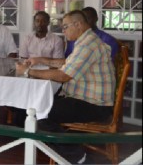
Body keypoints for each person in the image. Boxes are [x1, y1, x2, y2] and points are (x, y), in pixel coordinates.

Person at [16, 10, 115, 164]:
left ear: (78, 24)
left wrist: (28, 72)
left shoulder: (88, 45)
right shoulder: (85, 41)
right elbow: (66, 63)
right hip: (86, 100)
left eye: (65, 27)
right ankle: (69, 151)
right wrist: (40, 60)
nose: (63, 31)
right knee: (40, 105)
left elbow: (63, 75)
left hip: (95, 105)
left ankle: (78, 157)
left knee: (38, 112)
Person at [14, 11, 64, 127]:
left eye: (43, 21)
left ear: (48, 23)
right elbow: (23, 59)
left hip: (48, 75)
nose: (40, 23)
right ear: (34, 23)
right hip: (29, 73)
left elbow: (57, 64)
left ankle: (40, 121)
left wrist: (40, 63)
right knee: (21, 91)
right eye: (37, 21)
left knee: (41, 94)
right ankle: (21, 124)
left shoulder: (56, 40)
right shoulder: (28, 39)